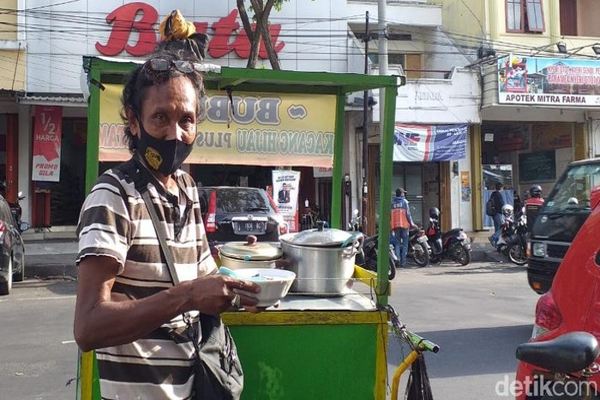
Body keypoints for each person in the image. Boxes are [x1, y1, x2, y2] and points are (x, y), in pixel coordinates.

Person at [73, 12, 261, 399]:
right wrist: (189, 295)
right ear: (134, 121)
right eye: (160, 118)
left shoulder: (188, 189)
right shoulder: (113, 196)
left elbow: (200, 278)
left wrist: (248, 270)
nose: (175, 134)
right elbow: (88, 327)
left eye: (186, 120)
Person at [390, 188, 415, 267]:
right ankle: (403, 262)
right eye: (403, 193)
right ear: (401, 194)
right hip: (404, 225)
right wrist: (412, 224)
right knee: (405, 244)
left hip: (395, 226)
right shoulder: (404, 202)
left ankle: (397, 260)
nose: (404, 194)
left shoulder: (392, 202)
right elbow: (408, 214)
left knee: (397, 243)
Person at [489, 182, 506, 246]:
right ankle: (493, 237)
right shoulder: (499, 195)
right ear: (501, 188)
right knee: (501, 228)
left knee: (497, 228)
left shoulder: (493, 194)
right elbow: (502, 204)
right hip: (498, 213)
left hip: (493, 213)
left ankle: (496, 244)